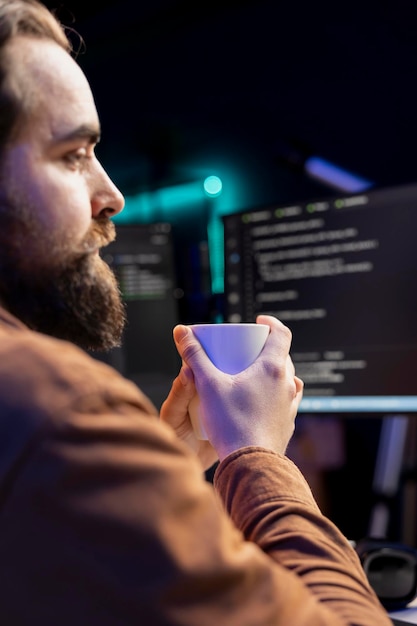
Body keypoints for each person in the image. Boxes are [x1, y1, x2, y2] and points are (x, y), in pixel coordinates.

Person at [0, 1, 393, 624]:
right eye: (74, 154)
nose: (113, 196)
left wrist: (160, 466)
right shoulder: (55, 406)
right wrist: (255, 455)